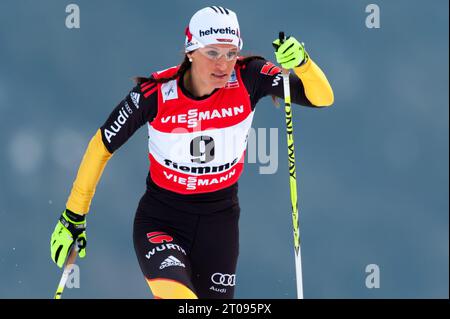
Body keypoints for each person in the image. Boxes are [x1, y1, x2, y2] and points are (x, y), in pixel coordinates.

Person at [50, 6, 334, 299]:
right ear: (190, 51)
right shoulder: (156, 94)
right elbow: (101, 146)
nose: (222, 64)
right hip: (162, 220)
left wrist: (303, 64)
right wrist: (74, 215)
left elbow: (322, 97)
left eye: (230, 53)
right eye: (212, 52)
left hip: (219, 224)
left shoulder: (250, 77)